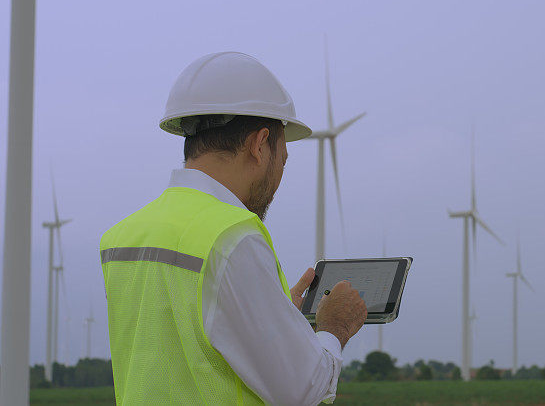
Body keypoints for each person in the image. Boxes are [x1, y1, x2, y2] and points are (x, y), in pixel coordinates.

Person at [100, 52, 368, 405]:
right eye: (282, 157)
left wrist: (269, 313)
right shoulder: (231, 236)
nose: (279, 176)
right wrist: (334, 327)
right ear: (259, 145)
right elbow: (304, 390)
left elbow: (179, 344)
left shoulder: (123, 236)